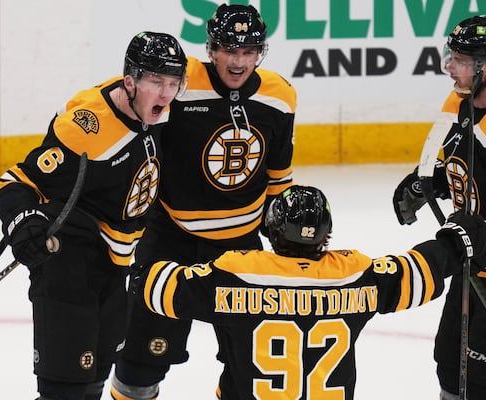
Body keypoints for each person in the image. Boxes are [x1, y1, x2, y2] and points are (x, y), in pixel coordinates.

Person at [131, 185, 486, 400]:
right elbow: (418, 271)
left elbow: (154, 286)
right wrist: (461, 237)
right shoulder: (355, 275)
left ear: (271, 229)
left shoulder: (235, 274)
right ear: (326, 235)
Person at [111, 4, 297, 399]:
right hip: (169, 243)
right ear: (211, 48)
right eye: (230, 49)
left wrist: (285, 247)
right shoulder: (178, 82)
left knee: (250, 368)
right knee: (136, 369)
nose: (238, 61)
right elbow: (125, 108)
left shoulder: (280, 96)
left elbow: (278, 175)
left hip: (241, 250)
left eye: (249, 52)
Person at [0, 32, 187, 400]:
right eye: (156, 82)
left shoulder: (158, 108)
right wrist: (24, 225)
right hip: (69, 263)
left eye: (174, 83)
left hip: (115, 264)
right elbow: (14, 183)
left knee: (94, 381)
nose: (166, 94)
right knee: (64, 391)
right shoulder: (86, 128)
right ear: (130, 81)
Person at [392, 15, 486, 400]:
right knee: (449, 360)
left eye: (460, 60)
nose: (449, 67)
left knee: (478, 378)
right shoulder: (462, 102)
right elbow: (462, 160)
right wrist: (429, 180)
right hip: (469, 260)